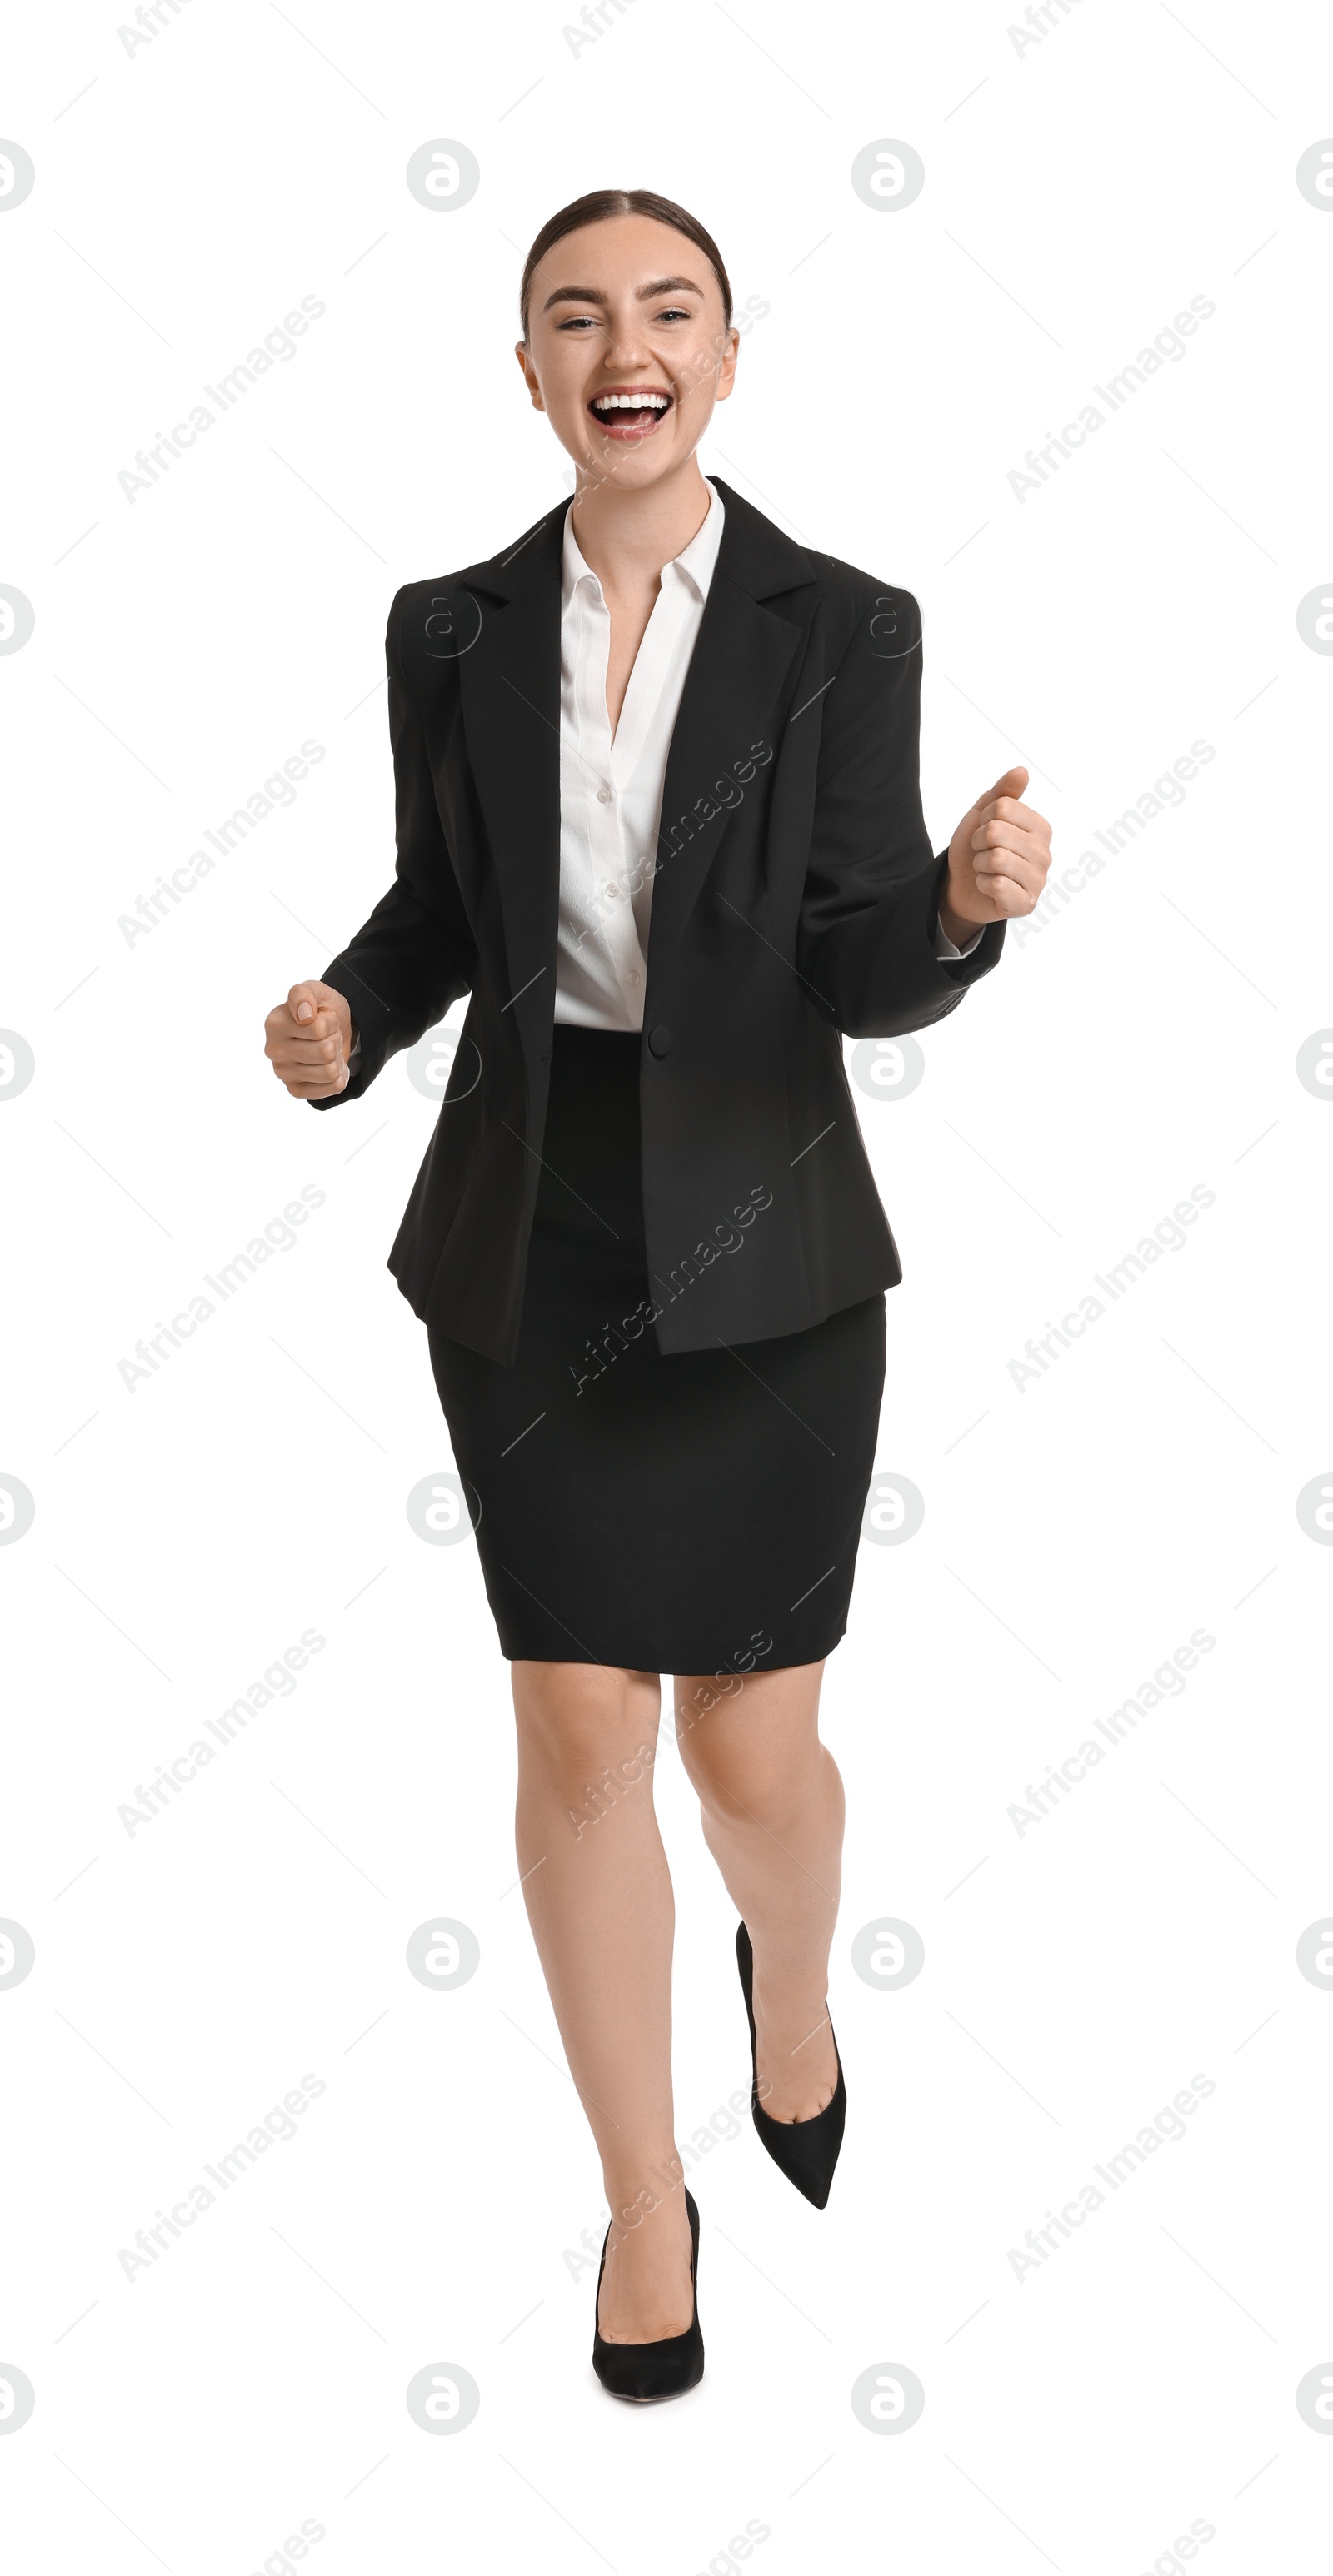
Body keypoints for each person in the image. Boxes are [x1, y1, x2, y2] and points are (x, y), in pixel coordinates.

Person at [263, 187, 1052, 2403]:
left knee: (754, 1744)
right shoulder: (449, 624)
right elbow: (440, 905)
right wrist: (348, 1015)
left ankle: (789, 2002)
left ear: (727, 356)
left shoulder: (841, 622)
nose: (626, 345)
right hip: (530, 1232)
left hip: (771, 1240)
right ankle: (642, 2200)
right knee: (580, 1724)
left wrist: (968, 913)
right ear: (527, 371)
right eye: (576, 317)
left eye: (669, 311)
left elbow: (857, 952)